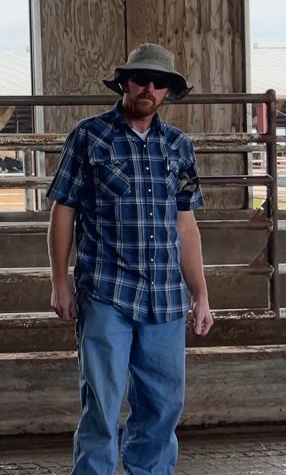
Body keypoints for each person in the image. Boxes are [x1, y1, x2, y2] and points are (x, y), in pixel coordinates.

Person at [46, 42, 215, 474]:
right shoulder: (89, 136)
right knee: (101, 404)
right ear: (124, 82)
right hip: (106, 292)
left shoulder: (179, 147)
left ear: (168, 92)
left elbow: (186, 225)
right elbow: (63, 209)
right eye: (141, 79)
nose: (149, 88)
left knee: (163, 405)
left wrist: (201, 295)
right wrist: (60, 282)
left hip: (166, 300)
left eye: (160, 83)